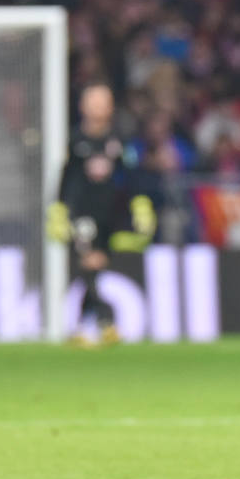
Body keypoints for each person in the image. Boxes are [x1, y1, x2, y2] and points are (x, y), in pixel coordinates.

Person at [46, 83, 156, 346]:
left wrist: (140, 206)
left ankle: (81, 329)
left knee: (95, 269)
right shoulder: (76, 140)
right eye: (92, 101)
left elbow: (131, 176)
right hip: (82, 212)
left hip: (108, 213)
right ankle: (106, 321)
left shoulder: (118, 140)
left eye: (102, 102)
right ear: (82, 106)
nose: (97, 107)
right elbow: (65, 176)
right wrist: (59, 210)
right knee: (90, 262)